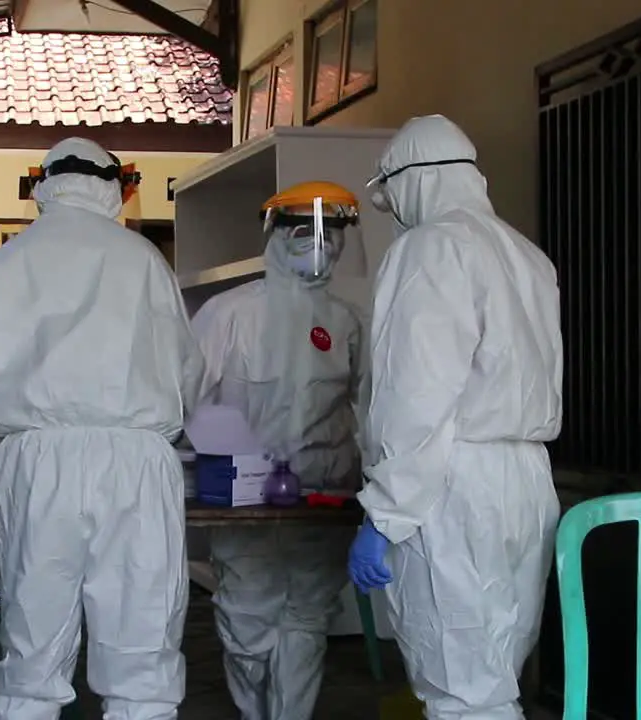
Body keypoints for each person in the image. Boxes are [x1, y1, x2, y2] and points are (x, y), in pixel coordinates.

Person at [0, 137, 206, 720]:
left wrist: (28, 425)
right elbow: (187, 372)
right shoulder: (143, 260)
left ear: (42, 185)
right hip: (135, 463)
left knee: (31, 649)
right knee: (141, 652)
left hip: (36, 462)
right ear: (115, 187)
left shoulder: (3, 263)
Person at [348, 115, 564, 720]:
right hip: (526, 481)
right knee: (495, 668)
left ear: (410, 183)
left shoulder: (428, 248)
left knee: (457, 682)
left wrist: (384, 514)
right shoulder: (527, 255)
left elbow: (415, 397)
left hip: (453, 483)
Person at [191, 181, 366, 720]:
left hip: (323, 497)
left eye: (334, 236)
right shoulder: (228, 314)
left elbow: (365, 403)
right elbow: (185, 400)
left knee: (307, 620)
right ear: (278, 237)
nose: (323, 245)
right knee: (248, 619)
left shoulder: (345, 321)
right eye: (309, 232)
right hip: (247, 501)